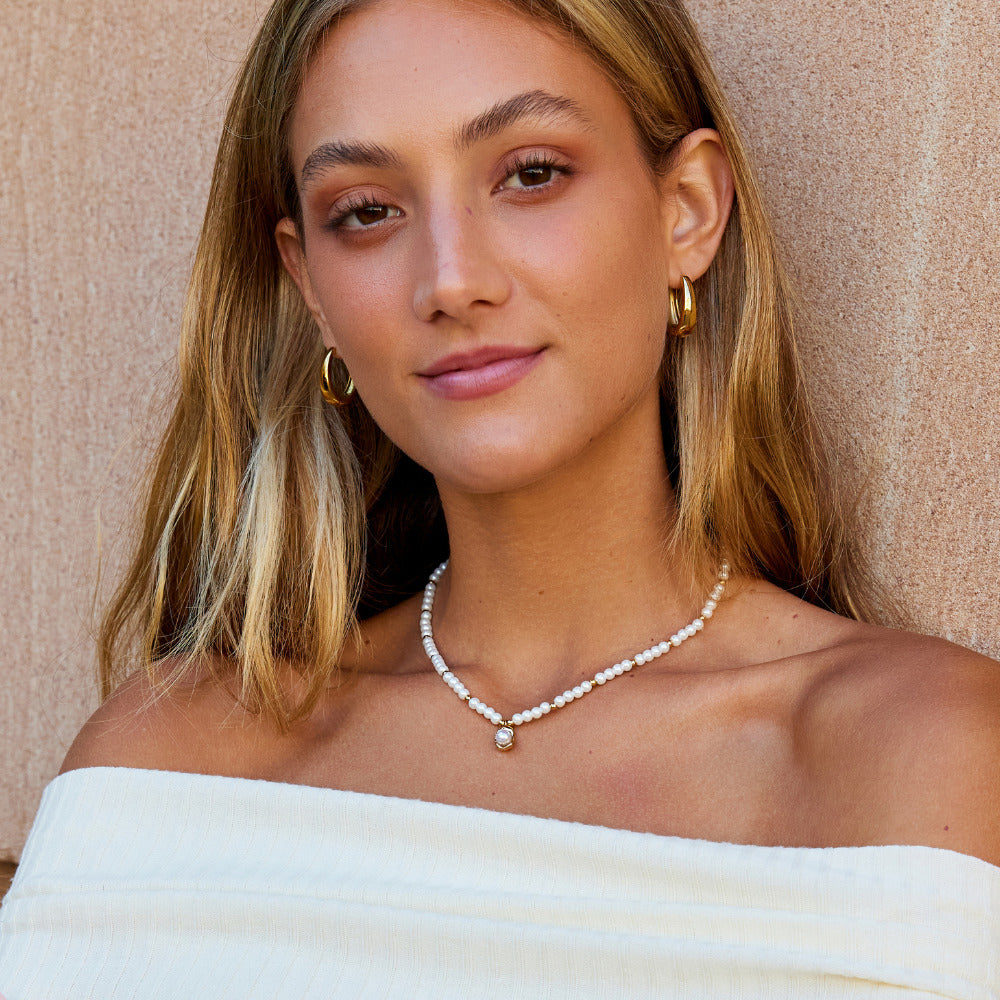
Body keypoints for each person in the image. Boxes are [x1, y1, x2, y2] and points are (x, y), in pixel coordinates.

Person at [1, 0, 997, 995]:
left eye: (530, 174)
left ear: (686, 210)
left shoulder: (922, 749)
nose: (451, 280)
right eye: (367, 212)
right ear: (311, 286)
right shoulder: (174, 760)